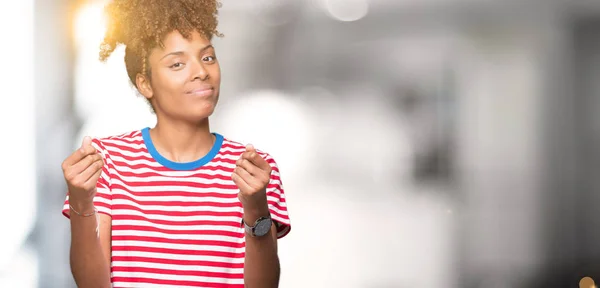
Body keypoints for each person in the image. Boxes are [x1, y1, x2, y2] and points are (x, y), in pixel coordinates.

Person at [60, 0, 291, 287]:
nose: (201, 72)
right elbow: (92, 284)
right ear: (145, 83)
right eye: (177, 63)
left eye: (207, 58)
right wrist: (82, 204)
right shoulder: (109, 162)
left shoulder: (253, 170)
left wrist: (256, 208)